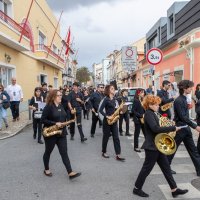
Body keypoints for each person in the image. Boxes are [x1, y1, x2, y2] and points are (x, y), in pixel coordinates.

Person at [133, 95, 188, 198]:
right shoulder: (148, 114)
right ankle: (137, 188)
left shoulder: (153, 113)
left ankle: (174, 189)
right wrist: (172, 128)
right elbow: (155, 129)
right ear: (150, 105)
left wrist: (168, 124)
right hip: (152, 146)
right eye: (156, 104)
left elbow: (158, 127)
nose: (158, 106)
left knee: (166, 167)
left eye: (158, 104)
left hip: (158, 144)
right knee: (146, 169)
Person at [41, 89, 81, 179]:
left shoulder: (61, 105)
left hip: (61, 132)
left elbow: (64, 117)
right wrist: (54, 123)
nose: (60, 97)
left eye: (61, 95)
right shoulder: (48, 106)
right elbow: (42, 120)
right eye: (59, 95)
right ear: (53, 97)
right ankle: (46, 169)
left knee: (64, 153)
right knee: (48, 152)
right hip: (51, 133)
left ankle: (70, 172)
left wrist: (71, 113)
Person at [168, 80, 200, 176]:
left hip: (186, 129)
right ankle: (166, 167)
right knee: (172, 149)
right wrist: (195, 126)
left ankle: (199, 170)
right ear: (184, 88)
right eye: (190, 87)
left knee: (193, 151)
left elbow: (181, 115)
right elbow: (183, 117)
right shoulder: (178, 100)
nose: (191, 89)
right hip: (180, 129)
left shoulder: (184, 99)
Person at [99, 84, 125, 161]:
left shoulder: (115, 99)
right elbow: (100, 110)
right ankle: (104, 152)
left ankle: (118, 154)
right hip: (107, 121)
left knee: (116, 137)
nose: (114, 90)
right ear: (108, 90)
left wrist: (120, 111)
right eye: (112, 89)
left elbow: (116, 109)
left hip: (114, 120)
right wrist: (107, 116)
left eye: (114, 89)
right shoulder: (106, 99)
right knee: (106, 137)